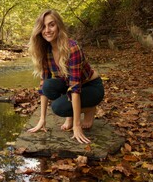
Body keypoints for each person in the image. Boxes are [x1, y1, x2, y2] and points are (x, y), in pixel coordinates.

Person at [27, 9, 104, 144]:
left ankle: (90, 109)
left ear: (59, 26)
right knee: (48, 86)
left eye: (51, 25)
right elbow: (43, 84)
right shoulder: (45, 49)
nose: (47, 30)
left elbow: (75, 88)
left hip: (91, 87)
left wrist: (77, 126)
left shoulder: (72, 48)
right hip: (69, 85)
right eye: (43, 27)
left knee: (58, 108)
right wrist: (42, 120)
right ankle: (71, 114)